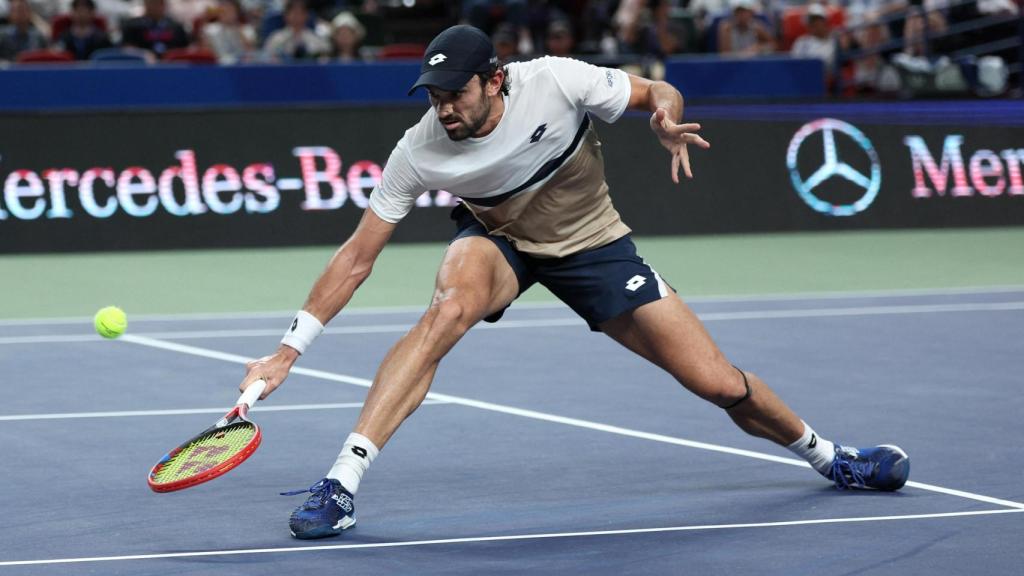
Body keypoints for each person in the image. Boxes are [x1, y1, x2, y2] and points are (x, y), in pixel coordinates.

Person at [239, 24, 911, 540]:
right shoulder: (420, 148)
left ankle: (830, 457)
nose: (443, 109)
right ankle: (341, 482)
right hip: (501, 240)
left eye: (456, 94)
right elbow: (358, 255)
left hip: (594, 245)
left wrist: (665, 117)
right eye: (435, 97)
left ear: (495, 80)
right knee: (446, 311)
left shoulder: (557, 81)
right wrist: (288, 350)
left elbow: (657, 91)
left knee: (716, 382)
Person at [120, 0, 190, 59]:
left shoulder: (176, 26)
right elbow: (127, 49)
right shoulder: (133, 25)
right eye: (152, 2)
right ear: (146, 4)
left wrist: (171, 55)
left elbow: (184, 49)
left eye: (159, 3)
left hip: (172, 67)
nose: (156, 7)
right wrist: (142, 54)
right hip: (142, 68)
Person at [262, 0, 328, 62]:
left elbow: (325, 56)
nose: (297, 17)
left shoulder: (316, 39)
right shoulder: (276, 38)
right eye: (293, 13)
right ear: (286, 15)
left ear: (306, 15)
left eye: (300, 13)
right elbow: (267, 58)